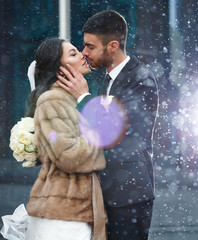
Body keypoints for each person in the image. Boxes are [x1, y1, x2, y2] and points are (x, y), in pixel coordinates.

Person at [56, 10, 159, 240]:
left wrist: (83, 98)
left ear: (113, 46)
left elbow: (118, 132)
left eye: (90, 46)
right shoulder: (106, 79)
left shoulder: (141, 78)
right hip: (104, 191)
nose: (84, 52)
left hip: (129, 196)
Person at [24, 37, 107, 240]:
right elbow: (69, 155)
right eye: (73, 53)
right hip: (62, 217)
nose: (83, 54)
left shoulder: (71, 98)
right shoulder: (51, 100)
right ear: (59, 69)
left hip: (75, 211)